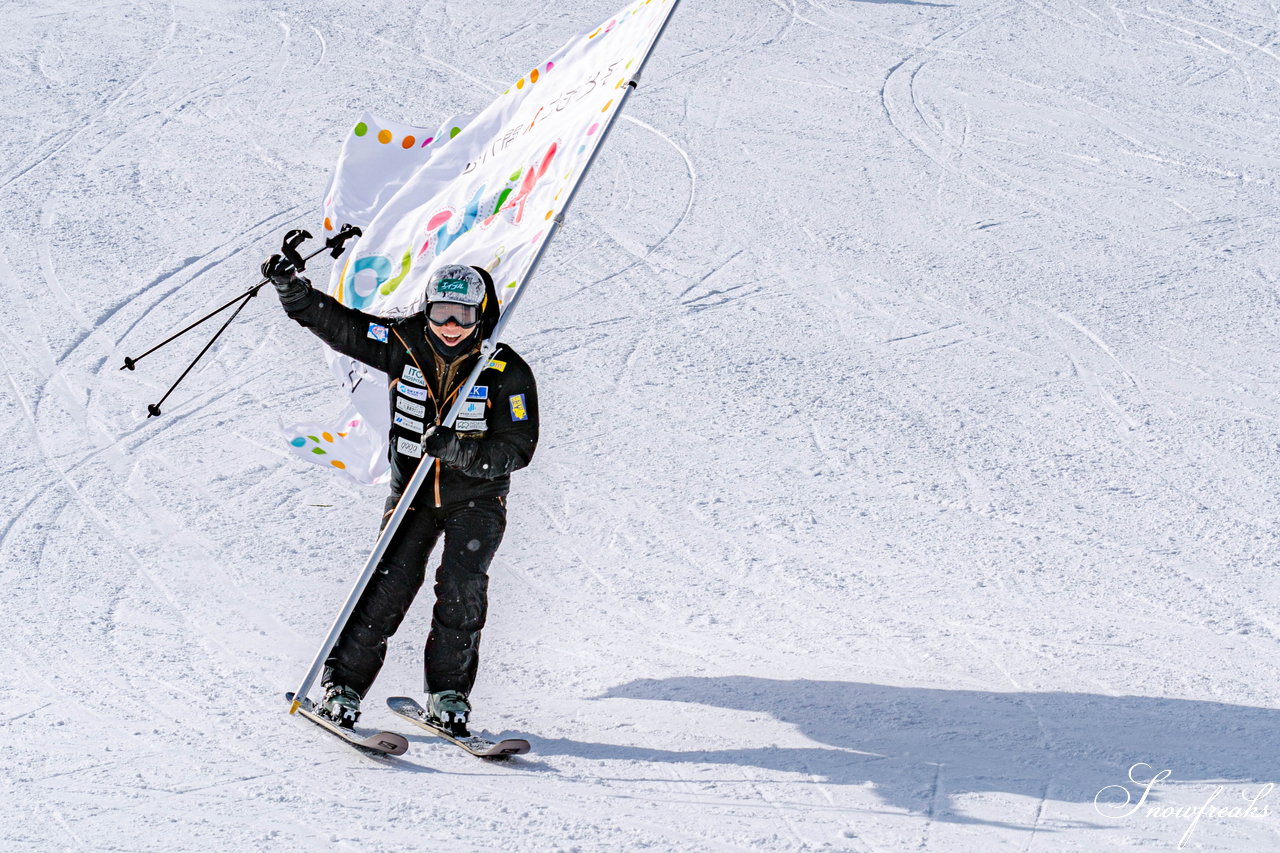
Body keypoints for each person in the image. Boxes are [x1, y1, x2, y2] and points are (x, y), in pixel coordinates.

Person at [262, 253, 538, 735]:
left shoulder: (504, 369)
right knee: (385, 587)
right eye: (441, 314)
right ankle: (342, 687)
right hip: (410, 492)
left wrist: (459, 451)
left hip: (477, 499)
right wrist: (294, 293)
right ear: (427, 309)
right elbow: (343, 327)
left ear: (483, 313)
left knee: (462, 591)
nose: (452, 327)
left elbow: (519, 446)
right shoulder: (401, 343)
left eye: (465, 316)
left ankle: (447, 695)